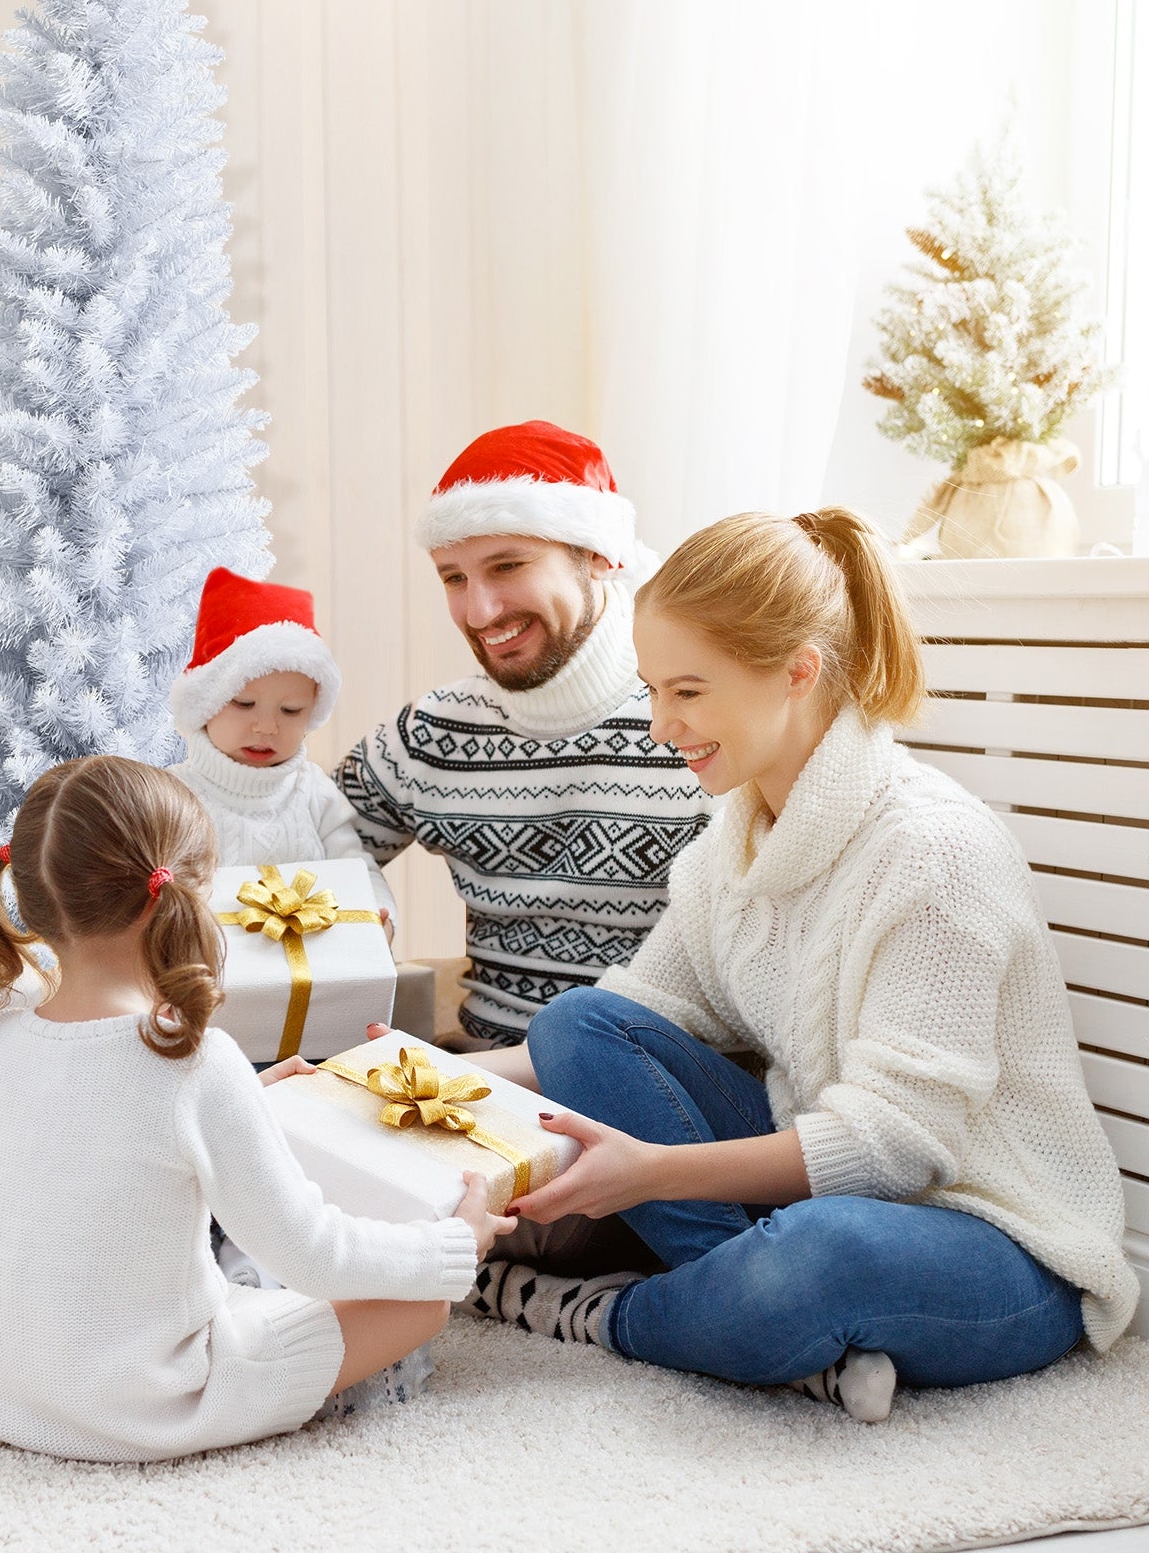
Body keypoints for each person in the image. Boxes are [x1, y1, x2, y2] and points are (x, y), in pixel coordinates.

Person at [456, 507, 1137, 1422]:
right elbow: (640, 1014)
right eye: (654, 690)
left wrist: (653, 1173)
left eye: (688, 692)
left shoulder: (932, 854)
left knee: (816, 1256)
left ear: (797, 672)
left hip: (998, 1242)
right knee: (574, 1023)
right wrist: (410, 1076)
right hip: (824, 1179)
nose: (663, 727)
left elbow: (895, 1149)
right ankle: (761, 1323)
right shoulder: (732, 840)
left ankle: (591, 1310)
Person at [0, 755, 512, 1463]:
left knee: (72, 1243)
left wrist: (248, 1108)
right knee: (419, 1305)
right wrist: (456, 1244)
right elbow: (311, 1253)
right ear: (180, 894)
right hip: (146, 1406)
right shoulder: (191, 1061)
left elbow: (85, 1146)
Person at [336, 420, 712, 1045]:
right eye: (453, 578)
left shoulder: (699, 720)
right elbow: (310, 839)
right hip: (480, 1093)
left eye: (507, 566)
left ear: (598, 555)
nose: (479, 613)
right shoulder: (432, 733)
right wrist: (369, 909)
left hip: (651, 1094)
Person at [166, 564, 396, 936]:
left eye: (290, 711)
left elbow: (357, 867)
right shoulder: (175, 795)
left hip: (313, 972)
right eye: (243, 704)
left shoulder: (314, 790)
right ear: (205, 702)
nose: (267, 726)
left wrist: (376, 918)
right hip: (210, 977)